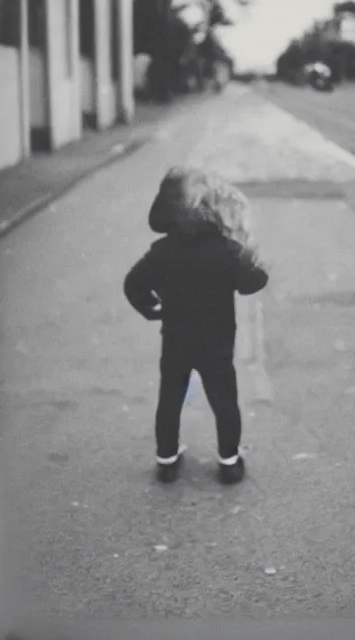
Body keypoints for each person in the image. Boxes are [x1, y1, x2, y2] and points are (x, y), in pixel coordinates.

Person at [123, 166, 269, 485]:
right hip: (216, 344)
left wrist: (152, 309)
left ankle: (167, 459)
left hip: (176, 340)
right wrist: (252, 254)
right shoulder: (227, 251)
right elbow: (252, 283)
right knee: (224, 402)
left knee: (170, 399)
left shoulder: (162, 252)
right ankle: (229, 461)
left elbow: (133, 284)